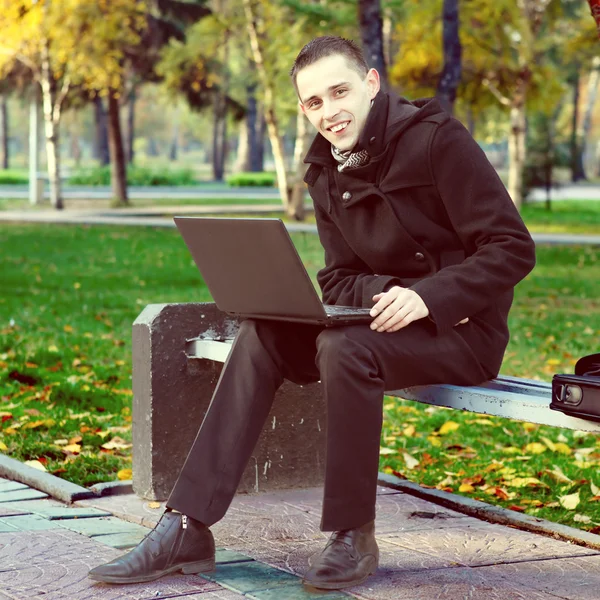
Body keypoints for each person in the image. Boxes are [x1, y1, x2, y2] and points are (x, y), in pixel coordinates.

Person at [88, 36, 536, 590]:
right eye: (314, 102)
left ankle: (352, 534)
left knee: (343, 346)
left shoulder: (438, 140)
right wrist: (389, 291)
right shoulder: (324, 169)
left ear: (372, 84)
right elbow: (337, 277)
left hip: (463, 331)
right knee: (264, 330)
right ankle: (187, 524)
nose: (330, 112)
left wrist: (428, 297)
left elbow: (512, 247)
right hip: (377, 322)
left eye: (340, 91)